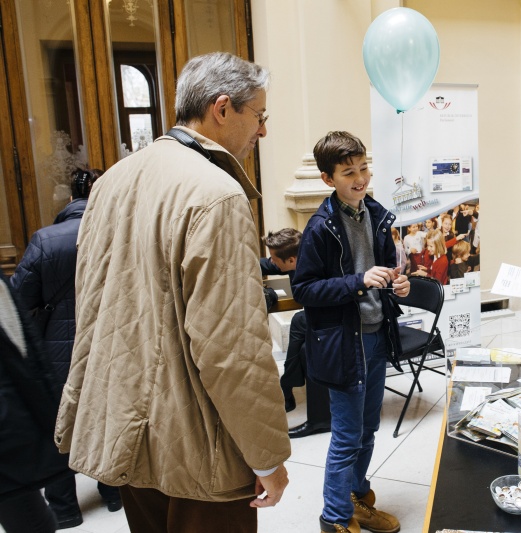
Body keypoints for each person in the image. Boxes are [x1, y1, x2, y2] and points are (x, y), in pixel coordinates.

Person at [53, 52, 291, 533]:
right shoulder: (217, 195)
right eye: (259, 116)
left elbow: (94, 305)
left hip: (128, 433)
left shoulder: (113, 180)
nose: (262, 131)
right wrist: (267, 458)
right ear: (222, 109)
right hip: (197, 449)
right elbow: (232, 348)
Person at [292, 131, 410, 533]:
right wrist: (358, 282)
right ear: (329, 179)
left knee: (368, 428)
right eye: (348, 172)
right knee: (346, 436)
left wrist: (397, 284)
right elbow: (303, 289)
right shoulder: (320, 227)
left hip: (377, 335)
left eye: (363, 168)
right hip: (345, 343)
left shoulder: (376, 214)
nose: (360, 178)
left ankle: (357, 499)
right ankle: (335, 519)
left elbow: (382, 272)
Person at [10, 168, 121, 528]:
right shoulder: (116, 234)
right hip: (110, 342)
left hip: (59, 350)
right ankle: (115, 493)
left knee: (62, 428)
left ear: (69, 200)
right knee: (107, 419)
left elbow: (20, 299)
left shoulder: (45, 239)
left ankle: (65, 509)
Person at [0, 273, 70, 533]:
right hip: (8, 430)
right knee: (32, 521)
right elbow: (21, 355)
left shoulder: (43, 242)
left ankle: (68, 509)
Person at [261, 228, 332, 438]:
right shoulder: (300, 258)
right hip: (318, 318)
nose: (272, 262)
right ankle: (289, 387)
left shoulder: (316, 270)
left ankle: (288, 387)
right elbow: (265, 264)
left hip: (336, 323)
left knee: (306, 340)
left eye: (275, 258)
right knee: (301, 336)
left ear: (291, 260)